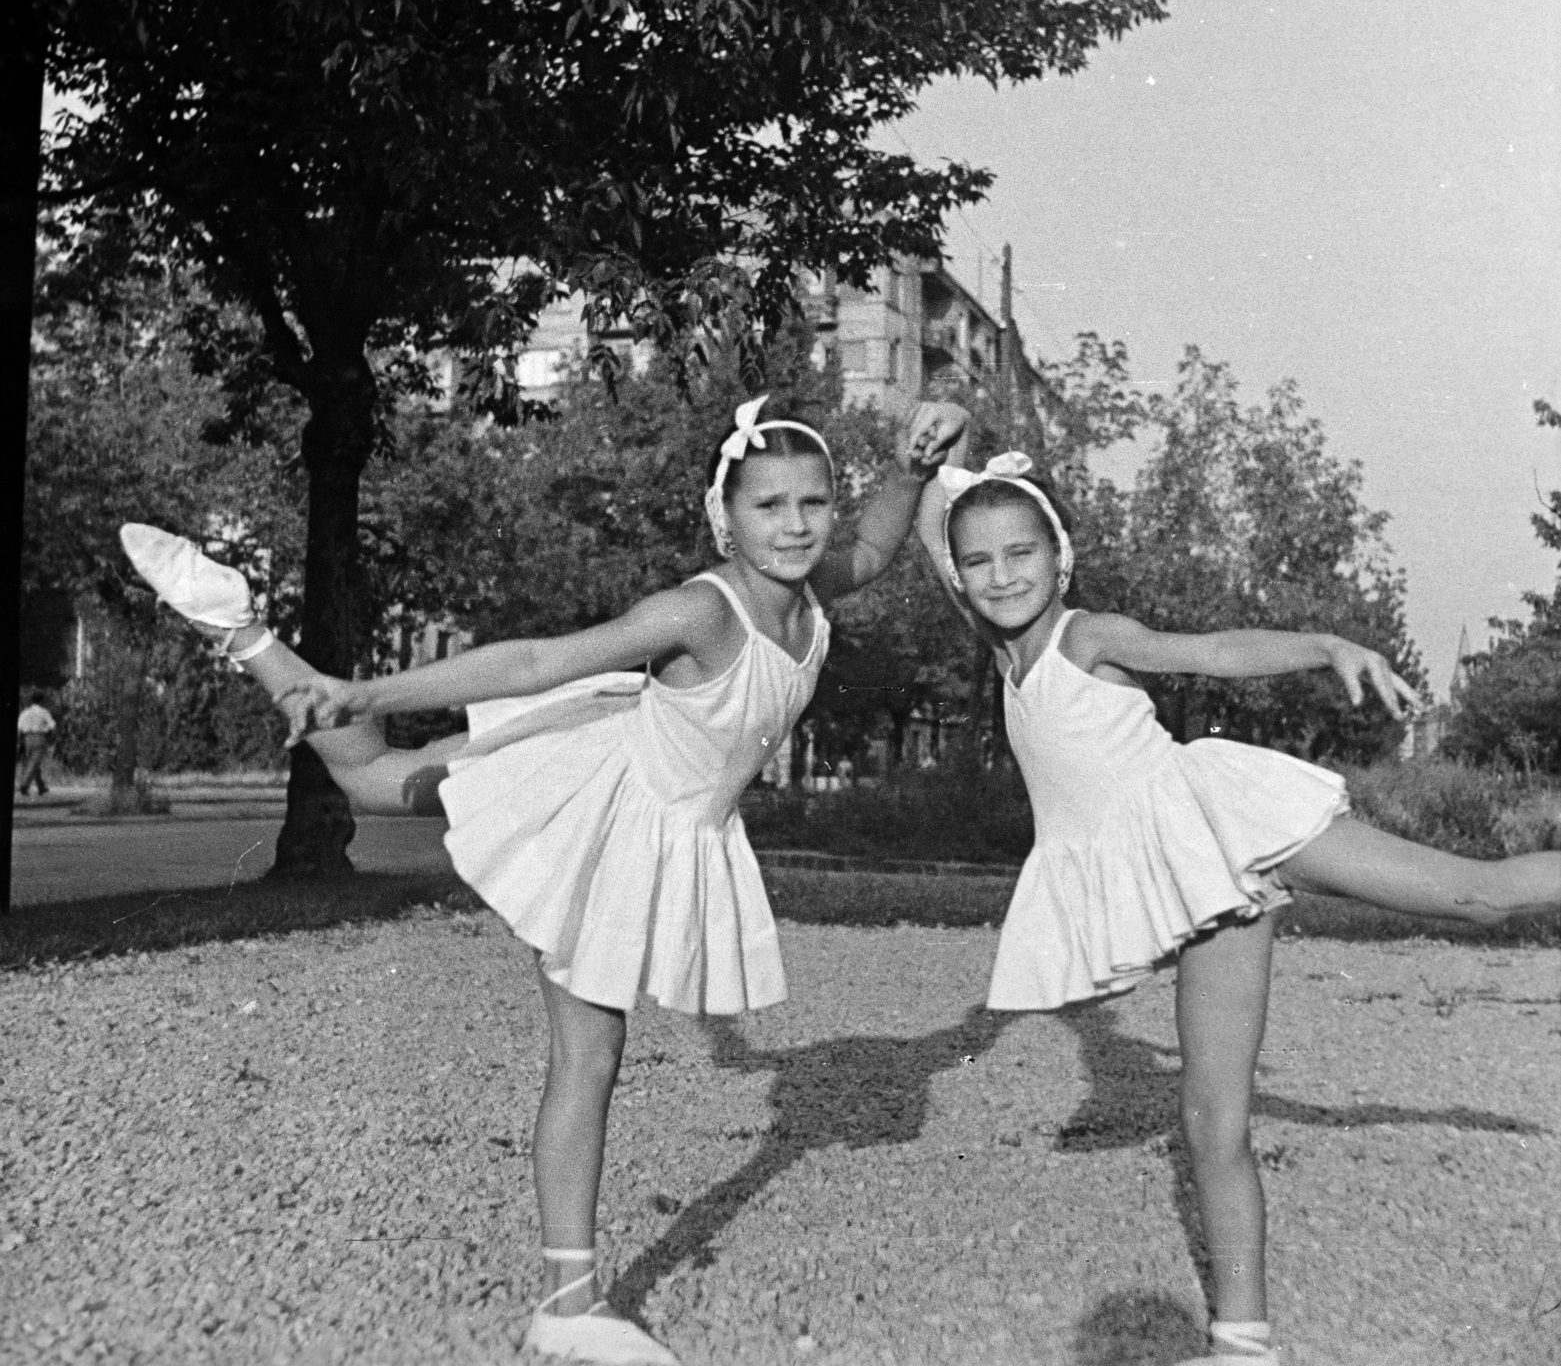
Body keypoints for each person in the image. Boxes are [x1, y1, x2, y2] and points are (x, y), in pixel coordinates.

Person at [121, 394, 968, 1366]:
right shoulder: (698, 608)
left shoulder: (814, 591)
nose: (795, 524)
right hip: (599, 807)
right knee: (586, 1048)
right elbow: (532, 661)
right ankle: (567, 1305)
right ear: (721, 518)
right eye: (768, 505)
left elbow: (875, 546)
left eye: (813, 502)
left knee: (378, 780)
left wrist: (908, 468)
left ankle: (239, 629)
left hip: (654, 804)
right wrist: (365, 691)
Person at [918, 450, 1561, 1366]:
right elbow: (931, 546)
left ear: (1058, 557)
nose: (1001, 574)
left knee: (1476, 896)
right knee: (1210, 1121)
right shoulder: (1000, 647)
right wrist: (928, 471)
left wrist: (1325, 647)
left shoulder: (1085, 635)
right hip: (1196, 884)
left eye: (1020, 552)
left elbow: (1214, 653)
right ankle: (1241, 1342)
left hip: (1219, 818)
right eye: (977, 561)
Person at [16, 692, 57, 797]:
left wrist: (20, 741)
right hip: (39, 737)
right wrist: (49, 733)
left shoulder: (25, 712)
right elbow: (52, 725)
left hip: (27, 738)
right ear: (42, 700)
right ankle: (24, 785)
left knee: (32, 763)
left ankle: (41, 787)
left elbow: (19, 727)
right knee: (34, 763)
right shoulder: (43, 712)